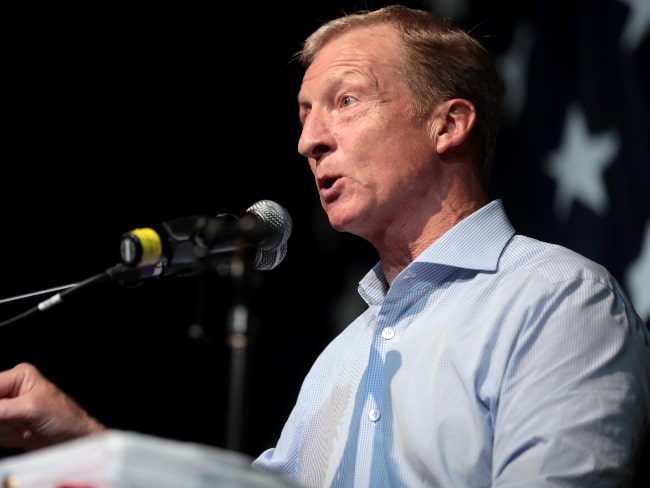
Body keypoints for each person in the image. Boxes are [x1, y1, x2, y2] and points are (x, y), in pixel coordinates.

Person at [0, 4, 649, 486]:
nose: (310, 141)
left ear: (448, 124)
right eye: (305, 115)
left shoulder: (557, 298)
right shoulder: (343, 355)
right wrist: (86, 441)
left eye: (344, 101)